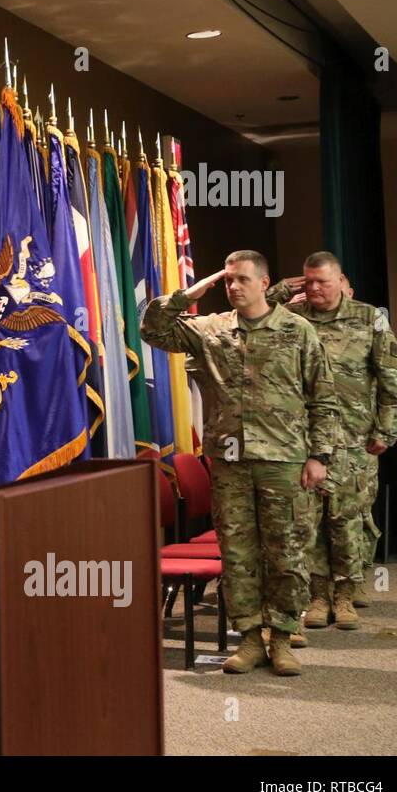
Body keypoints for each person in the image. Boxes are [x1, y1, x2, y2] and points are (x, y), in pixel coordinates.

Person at [141, 250, 338, 676]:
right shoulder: (211, 329)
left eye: (242, 280)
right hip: (230, 463)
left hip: (284, 460)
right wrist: (185, 295)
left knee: (286, 551)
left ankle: (282, 638)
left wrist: (320, 456)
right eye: (228, 280)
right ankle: (249, 638)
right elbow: (152, 330)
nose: (233, 287)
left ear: (265, 283)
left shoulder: (296, 330)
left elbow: (323, 398)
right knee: (238, 554)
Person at [267, 253, 397, 628]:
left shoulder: (369, 318)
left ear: (340, 280)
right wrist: (282, 290)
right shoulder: (293, 319)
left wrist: (387, 430)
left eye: (323, 281)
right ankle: (318, 596)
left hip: (354, 440)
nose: (315, 288)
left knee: (348, 519)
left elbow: (393, 376)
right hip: (304, 441)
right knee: (309, 520)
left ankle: (346, 595)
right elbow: (251, 316)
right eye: (308, 281)